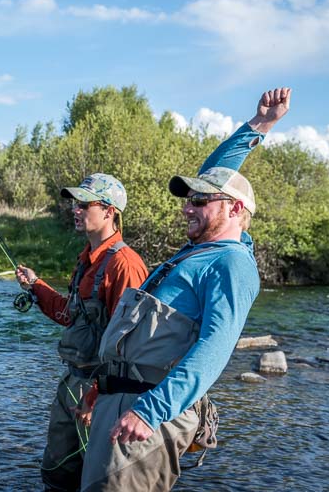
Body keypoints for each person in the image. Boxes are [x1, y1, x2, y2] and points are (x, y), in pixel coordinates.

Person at [79, 87, 292, 492]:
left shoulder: (230, 263)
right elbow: (216, 173)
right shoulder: (197, 252)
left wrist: (150, 411)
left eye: (200, 201)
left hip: (148, 413)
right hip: (120, 400)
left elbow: (215, 347)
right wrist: (259, 124)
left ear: (235, 209)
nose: (187, 208)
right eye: (189, 200)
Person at [16, 174, 148, 492]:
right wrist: (36, 286)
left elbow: (129, 344)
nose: (75, 210)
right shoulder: (86, 260)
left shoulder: (125, 265)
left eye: (84, 204)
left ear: (109, 211)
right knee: (57, 471)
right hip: (71, 381)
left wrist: (95, 396)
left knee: (97, 478)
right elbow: (70, 315)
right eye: (75, 204)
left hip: (102, 391)